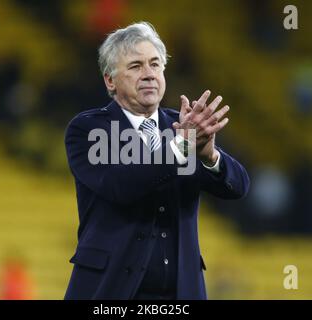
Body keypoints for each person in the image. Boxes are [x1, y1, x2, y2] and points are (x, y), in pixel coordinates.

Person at [64, 22, 250, 300]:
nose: (149, 74)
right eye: (136, 66)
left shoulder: (182, 125)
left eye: (155, 64)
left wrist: (210, 155)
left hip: (181, 291)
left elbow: (238, 188)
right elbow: (120, 186)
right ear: (110, 80)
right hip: (111, 290)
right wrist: (182, 147)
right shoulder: (89, 129)